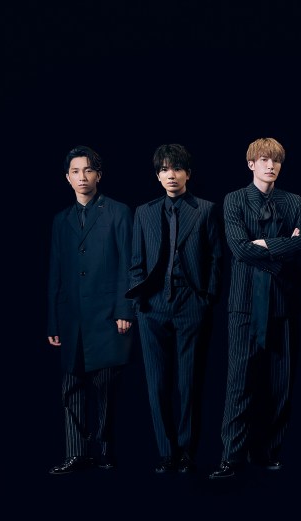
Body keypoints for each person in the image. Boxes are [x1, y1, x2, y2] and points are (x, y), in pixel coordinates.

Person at [209, 137, 301, 479]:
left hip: (284, 301)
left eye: (276, 160)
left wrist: (265, 244)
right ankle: (231, 457)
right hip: (245, 303)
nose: (271, 165)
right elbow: (239, 249)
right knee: (239, 383)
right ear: (251, 164)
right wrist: (284, 249)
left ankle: (267, 452)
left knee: (280, 384)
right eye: (264, 160)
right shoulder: (234, 199)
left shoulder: (294, 201)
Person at [126, 144, 223, 474]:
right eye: (165, 170)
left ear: (188, 174)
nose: (171, 175)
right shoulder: (144, 212)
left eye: (177, 169)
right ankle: (166, 452)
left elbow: (216, 258)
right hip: (152, 306)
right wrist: (139, 302)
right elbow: (136, 261)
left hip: (191, 303)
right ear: (158, 176)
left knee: (189, 383)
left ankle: (187, 452)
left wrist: (207, 298)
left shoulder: (206, 210)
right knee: (157, 383)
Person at [47, 145, 134, 475]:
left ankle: (105, 451)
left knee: (106, 387)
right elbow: (55, 272)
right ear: (67, 178)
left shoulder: (118, 212)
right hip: (71, 319)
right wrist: (53, 321)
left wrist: (125, 308)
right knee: (71, 387)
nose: (82, 177)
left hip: (108, 316)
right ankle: (76, 453)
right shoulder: (61, 220)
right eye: (75, 171)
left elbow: (128, 263)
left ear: (99, 175)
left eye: (88, 170)